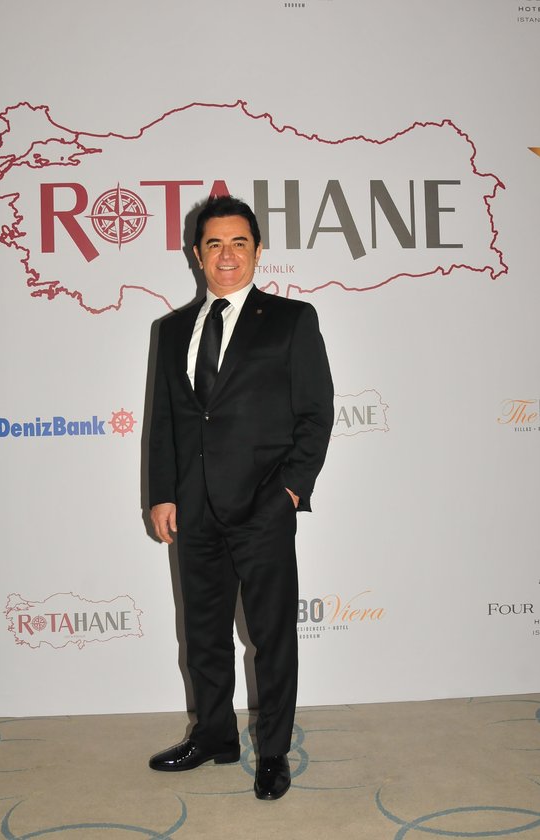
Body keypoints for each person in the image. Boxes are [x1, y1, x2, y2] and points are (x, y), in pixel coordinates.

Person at [147, 195, 334, 800]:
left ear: (257, 251)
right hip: (193, 508)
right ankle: (214, 736)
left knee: (271, 636)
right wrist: (162, 494)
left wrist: (290, 491)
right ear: (196, 254)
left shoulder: (291, 320)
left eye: (238, 243)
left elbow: (316, 414)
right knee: (202, 632)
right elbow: (166, 421)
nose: (226, 255)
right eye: (214, 244)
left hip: (263, 505)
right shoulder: (171, 330)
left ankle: (273, 752)